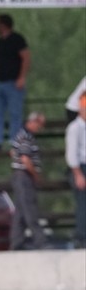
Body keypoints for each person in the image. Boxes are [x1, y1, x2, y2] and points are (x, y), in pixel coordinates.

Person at [10, 112, 49, 251]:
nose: (40, 128)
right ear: (33, 122)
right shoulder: (26, 137)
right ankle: (40, 240)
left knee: (20, 211)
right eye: (39, 125)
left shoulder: (20, 135)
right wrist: (35, 175)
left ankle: (16, 242)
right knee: (29, 208)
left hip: (19, 176)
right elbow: (25, 159)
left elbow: (13, 152)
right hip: (24, 176)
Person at [0, 14, 31, 149]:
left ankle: (15, 142)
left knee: (15, 114)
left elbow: (26, 57)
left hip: (13, 83)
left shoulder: (17, 39)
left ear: (3, 25)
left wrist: (22, 77)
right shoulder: (0, 41)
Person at [66, 94, 86, 248]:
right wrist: (78, 174)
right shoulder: (75, 128)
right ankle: (81, 236)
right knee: (82, 203)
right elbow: (72, 153)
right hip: (81, 167)